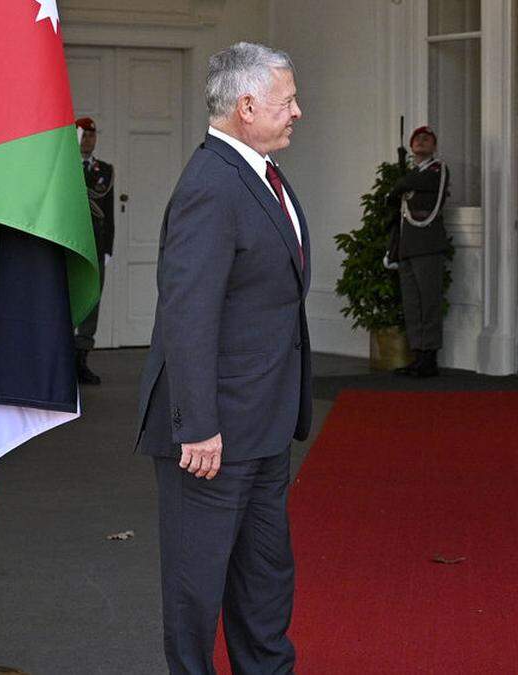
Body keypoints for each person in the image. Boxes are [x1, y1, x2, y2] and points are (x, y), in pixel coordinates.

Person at [134, 42, 309, 675]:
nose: (297, 112)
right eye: (286, 100)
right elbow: (187, 313)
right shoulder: (212, 183)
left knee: (264, 582)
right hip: (211, 437)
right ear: (245, 105)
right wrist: (198, 425)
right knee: (196, 589)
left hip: (259, 426)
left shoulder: (258, 172)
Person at [388, 126, 451, 378]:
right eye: (417, 138)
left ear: (434, 146)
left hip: (427, 244)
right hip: (408, 245)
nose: (421, 141)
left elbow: (417, 183)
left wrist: (400, 183)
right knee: (413, 304)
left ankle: (430, 357)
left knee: (429, 303)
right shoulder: (413, 173)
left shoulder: (438, 169)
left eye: (427, 139)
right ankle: (418, 355)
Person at [74, 116, 115, 385]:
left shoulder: (105, 170)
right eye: (84, 135)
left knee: (91, 304)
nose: (89, 140)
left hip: (96, 246)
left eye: (92, 135)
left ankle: (81, 360)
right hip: (71, 246)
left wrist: (109, 248)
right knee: (68, 301)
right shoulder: (65, 169)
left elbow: (108, 212)